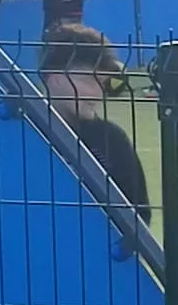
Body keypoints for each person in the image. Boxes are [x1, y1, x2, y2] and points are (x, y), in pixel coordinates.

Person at [39, 24, 149, 221]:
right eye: (89, 81)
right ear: (54, 79)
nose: (98, 93)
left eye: (103, 83)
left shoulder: (111, 141)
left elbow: (139, 216)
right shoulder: (20, 134)